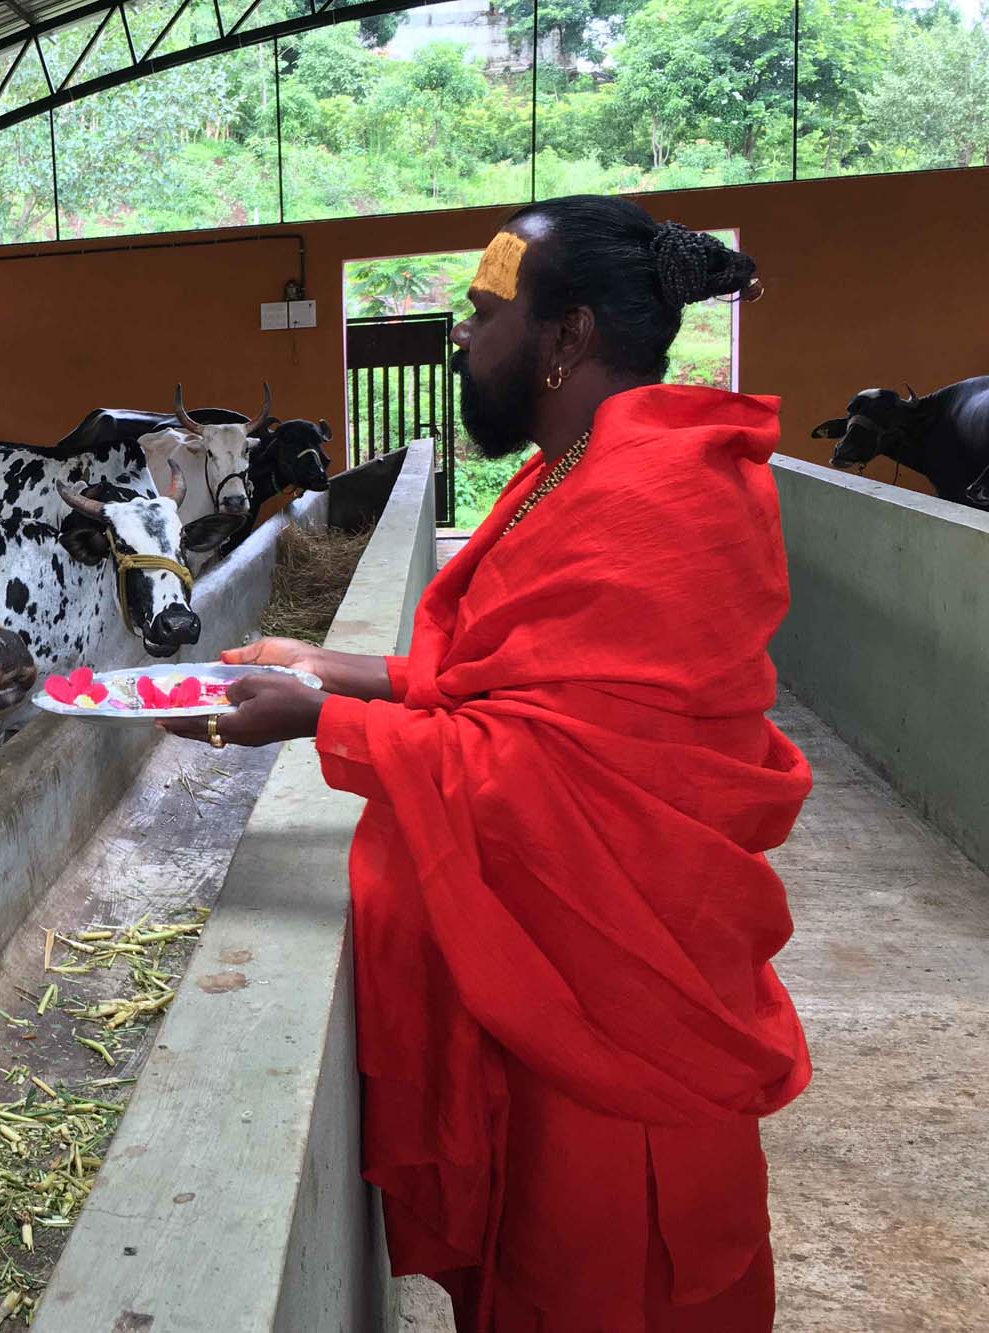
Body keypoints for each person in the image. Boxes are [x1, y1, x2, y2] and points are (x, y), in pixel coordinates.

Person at [163, 195, 812, 1332]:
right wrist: (331, 666)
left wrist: (315, 723)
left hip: (616, 1020)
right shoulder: (562, 474)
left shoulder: (660, 497)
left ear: (563, 337)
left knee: (605, 1286)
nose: (459, 337)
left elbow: (544, 778)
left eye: (482, 312)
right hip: (546, 998)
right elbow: (512, 690)